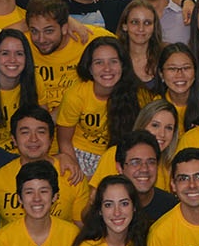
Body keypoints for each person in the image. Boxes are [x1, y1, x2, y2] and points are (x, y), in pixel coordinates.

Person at [57, 38, 141, 177]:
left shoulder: (136, 94)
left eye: (113, 61)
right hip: (79, 154)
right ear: (89, 68)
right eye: (99, 62)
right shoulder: (76, 95)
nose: (107, 68)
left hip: (116, 156)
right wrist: (77, 172)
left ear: (122, 65)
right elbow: (64, 141)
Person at [156, 44, 199, 132]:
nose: (180, 74)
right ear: (161, 74)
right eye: (172, 69)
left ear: (195, 72)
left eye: (186, 68)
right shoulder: (157, 107)